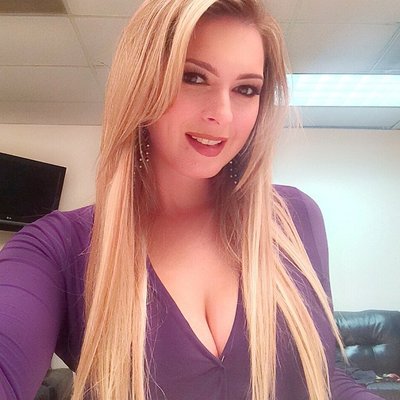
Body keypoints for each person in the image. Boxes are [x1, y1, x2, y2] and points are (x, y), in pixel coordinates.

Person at [0, 1, 384, 399]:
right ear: (141, 84)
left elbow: (322, 374)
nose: (223, 114)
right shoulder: (58, 250)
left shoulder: (294, 218)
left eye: (246, 89)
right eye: (194, 77)